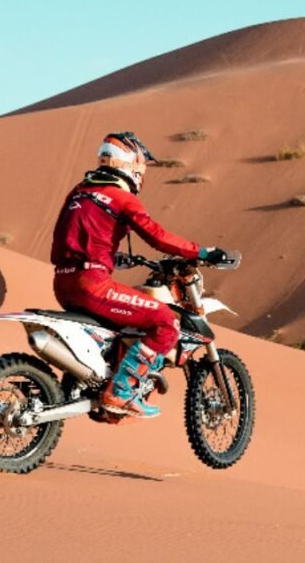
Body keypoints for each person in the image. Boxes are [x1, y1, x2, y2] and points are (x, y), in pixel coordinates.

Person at [50, 131, 227, 419]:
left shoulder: (80, 191)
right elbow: (158, 237)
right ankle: (120, 393)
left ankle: (99, 381)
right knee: (166, 322)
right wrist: (202, 252)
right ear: (130, 166)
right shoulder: (122, 198)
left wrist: (108, 256)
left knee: (124, 325)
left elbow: (66, 235)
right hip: (92, 285)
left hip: (63, 281)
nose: (141, 176)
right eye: (140, 169)